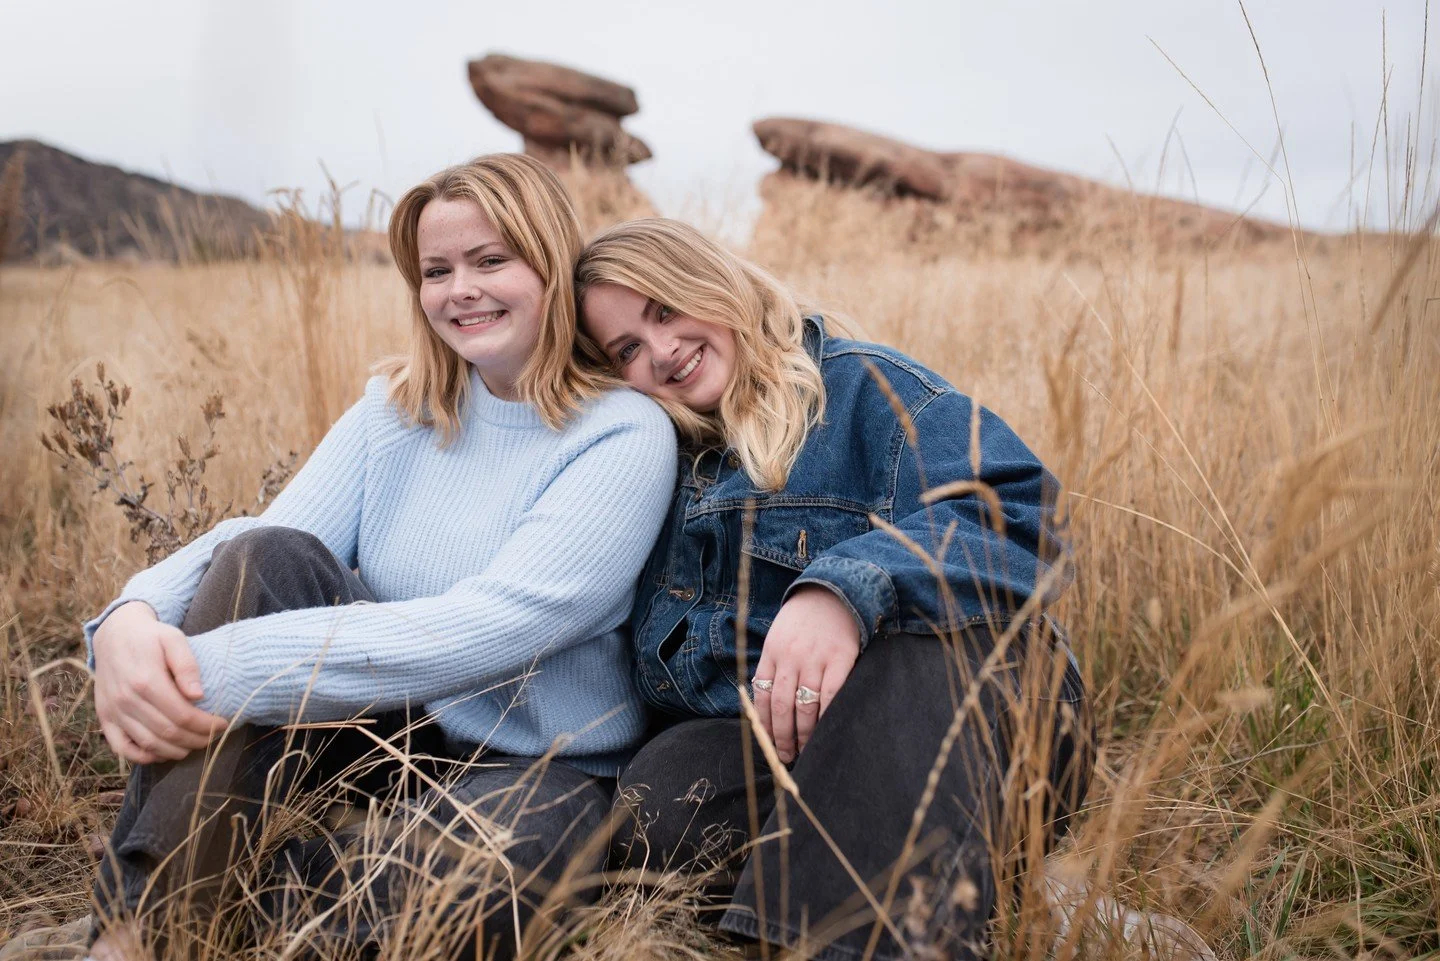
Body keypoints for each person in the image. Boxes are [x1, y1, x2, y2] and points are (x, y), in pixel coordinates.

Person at [80, 155, 677, 961]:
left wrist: (195, 668)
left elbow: (489, 628)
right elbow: (264, 540)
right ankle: (139, 926)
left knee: (496, 874)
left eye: (490, 260)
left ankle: (238, 901)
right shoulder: (395, 409)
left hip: (539, 766)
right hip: (380, 734)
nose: (459, 288)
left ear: (550, 265)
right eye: (437, 270)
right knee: (268, 557)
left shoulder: (623, 432)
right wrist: (130, 619)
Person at [574, 218, 1091, 961]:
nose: (660, 350)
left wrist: (843, 592)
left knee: (912, 653)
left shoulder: (859, 389)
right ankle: (869, 894)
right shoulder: (651, 459)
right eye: (626, 349)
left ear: (713, 282)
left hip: (984, 705)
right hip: (793, 751)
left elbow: (1022, 512)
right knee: (660, 802)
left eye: (664, 309)